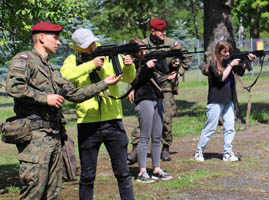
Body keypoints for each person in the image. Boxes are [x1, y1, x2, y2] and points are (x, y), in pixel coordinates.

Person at [5, 22, 121, 200]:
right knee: (34, 191)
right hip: (35, 137)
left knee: (53, 192)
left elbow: (74, 94)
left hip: (54, 135)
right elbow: (14, 87)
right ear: (42, 37)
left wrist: (104, 83)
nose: (59, 43)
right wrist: (45, 98)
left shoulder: (51, 69)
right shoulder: (24, 59)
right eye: (55, 38)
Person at [60, 28, 136, 200]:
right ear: (78, 47)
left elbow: (128, 78)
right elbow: (65, 75)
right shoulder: (72, 59)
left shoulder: (109, 55)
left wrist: (129, 66)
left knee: (123, 173)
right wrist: (90, 65)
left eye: (93, 42)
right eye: (88, 45)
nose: (93, 46)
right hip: (87, 123)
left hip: (113, 121)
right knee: (87, 175)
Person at [127, 18, 192, 163]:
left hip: (165, 84)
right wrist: (131, 89)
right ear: (152, 31)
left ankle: (165, 148)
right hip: (147, 84)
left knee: (166, 118)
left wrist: (178, 71)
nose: (164, 33)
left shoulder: (170, 43)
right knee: (143, 118)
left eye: (164, 30)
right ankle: (135, 150)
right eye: (160, 31)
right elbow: (133, 69)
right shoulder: (141, 45)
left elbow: (187, 56)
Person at [194, 40, 256, 162]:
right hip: (216, 100)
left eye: (229, 51)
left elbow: (241, 72)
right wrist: (231, 65)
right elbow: (221, 78)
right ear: (218, 52)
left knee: (230, 127)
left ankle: (227, 152)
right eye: (224, 51)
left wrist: (248, 61)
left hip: (229, 99)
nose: (227, 54)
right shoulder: (212, 64)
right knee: (210, 127)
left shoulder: (229, 63)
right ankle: (199, 151)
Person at [127, 38, 172, 183]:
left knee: (157, 136)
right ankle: (142, 172)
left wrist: (166, 61)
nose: (144, 49)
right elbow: (134, 80)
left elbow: (165, 70)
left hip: (157, 98)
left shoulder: (148, 58)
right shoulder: (131, 62)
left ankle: (157, 169)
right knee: (144, 137)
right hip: (144, 98)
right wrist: (146, 66)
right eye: (141, 47)